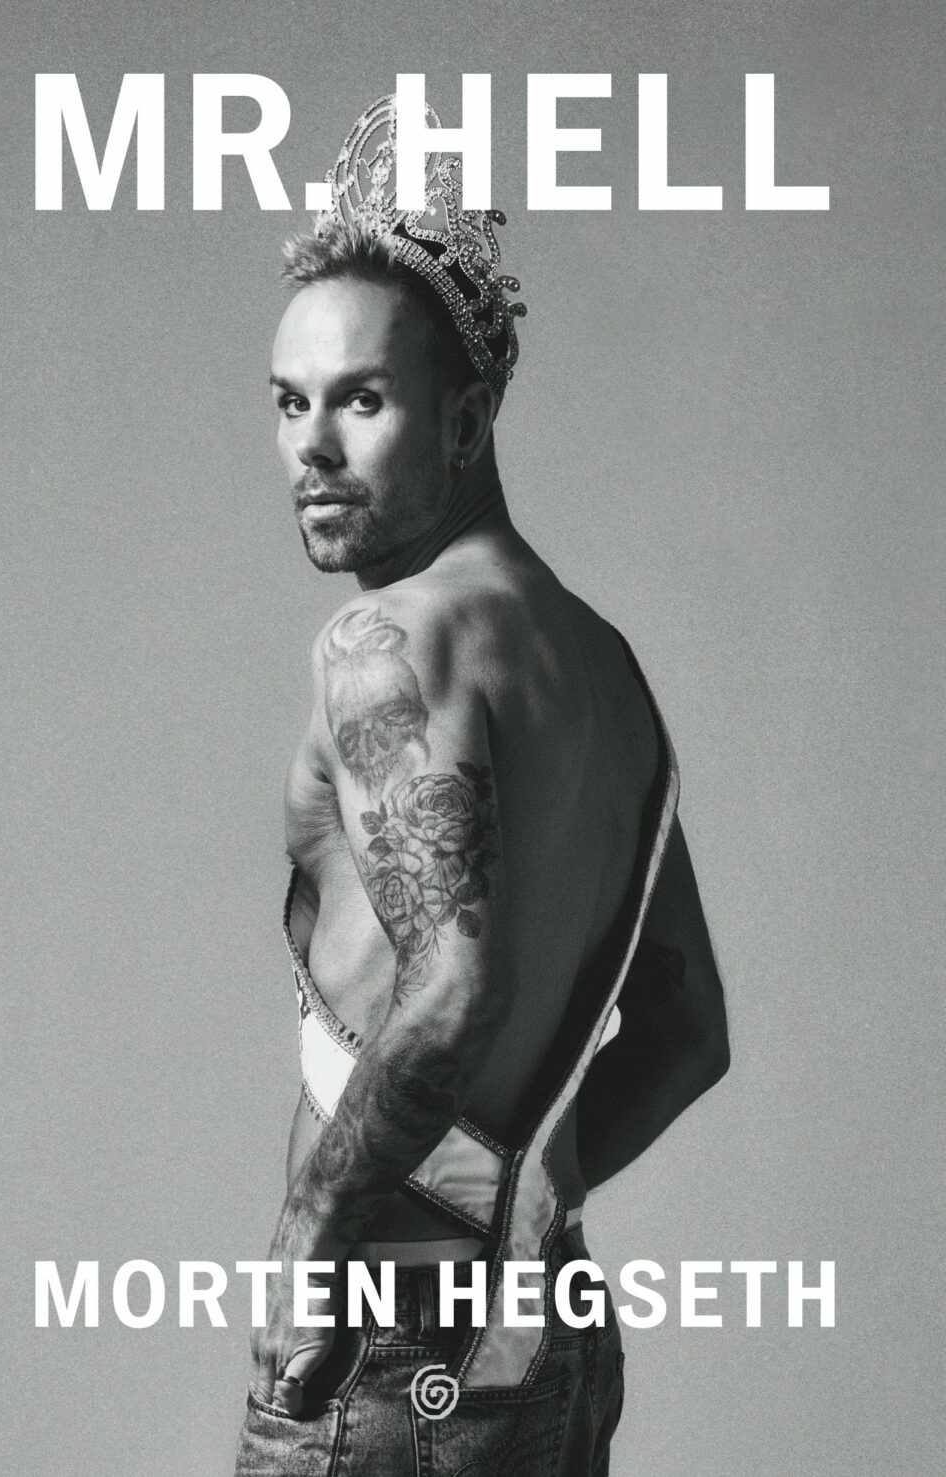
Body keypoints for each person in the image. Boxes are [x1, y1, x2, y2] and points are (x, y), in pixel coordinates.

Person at [235, 95, 730, 1477]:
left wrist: (308, 1247)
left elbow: (453, 988)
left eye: (363, 399)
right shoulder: (603, 667)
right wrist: (514, 1210)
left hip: (391, 1348)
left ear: (465, 421)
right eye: (289, 402)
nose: (313, 447)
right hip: (546, 1330)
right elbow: (688, 1030)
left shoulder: (383, 641)